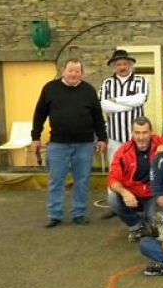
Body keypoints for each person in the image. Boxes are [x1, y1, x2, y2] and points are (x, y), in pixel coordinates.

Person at [31, 58, 107, 227]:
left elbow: (97, 116)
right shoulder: (50, 88)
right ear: (63, 71)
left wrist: (102, 138)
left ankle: (79, 213)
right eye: (70, 70)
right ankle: (55, 215)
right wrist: (35, 137)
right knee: (56, 180)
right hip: (58, 145)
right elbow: (39, 114)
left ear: (82, 73)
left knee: (82, 180)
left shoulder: (88, 90)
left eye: (77, 71)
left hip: (84, 145)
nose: (73, 74)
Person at [107, 117, 163, 241]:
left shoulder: (161, 143)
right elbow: (113, 179)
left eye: (145, 132)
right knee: (113, 199)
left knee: (155, 223)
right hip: (133, 195)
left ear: (151, 132)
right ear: (132, 133)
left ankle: (150, 221)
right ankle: (137, 226)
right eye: (137, 133)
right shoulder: (123, 151)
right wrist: (124, 193)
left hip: (153, 194)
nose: (141, 137)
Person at [99, 49, 149, 165]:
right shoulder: (107, 83)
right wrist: (129, 106)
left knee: (137, 168)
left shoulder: (140, 81)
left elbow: (140, 100)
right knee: (115, 168)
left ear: (130, 65)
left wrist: (116, 100)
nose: (122, 67)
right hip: (114, 138)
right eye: (119, 64)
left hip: (137, 138)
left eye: (125, 64)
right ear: (114, 66)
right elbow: (104, 105)